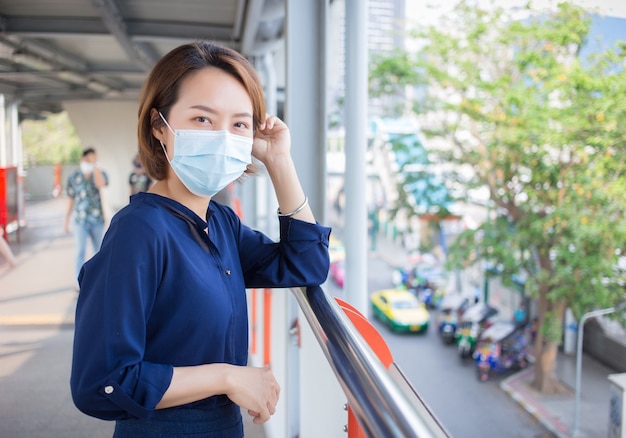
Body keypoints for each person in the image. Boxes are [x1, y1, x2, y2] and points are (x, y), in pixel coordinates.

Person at [70, 41, 331, 437]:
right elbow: (101, 384)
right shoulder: (139, 232)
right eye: (203, 119)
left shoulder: (218, 222)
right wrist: (227, 377)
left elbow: (306, 265)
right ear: (159, 126)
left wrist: (279, 160)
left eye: (239, 124)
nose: (223, 138)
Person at [63, 147, 109, 282]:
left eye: (94, 159)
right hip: (80, 220)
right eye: (89, 159)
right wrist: (66, 219)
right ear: (83, 159)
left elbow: (100, 184)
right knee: (80, 251)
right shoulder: (74, 177)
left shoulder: (101, 173)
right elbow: (70, 198)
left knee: (98, 252)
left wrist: (95, 166)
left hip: (97, 220)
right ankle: (79, 283)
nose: (91, 161)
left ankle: (98, 281)